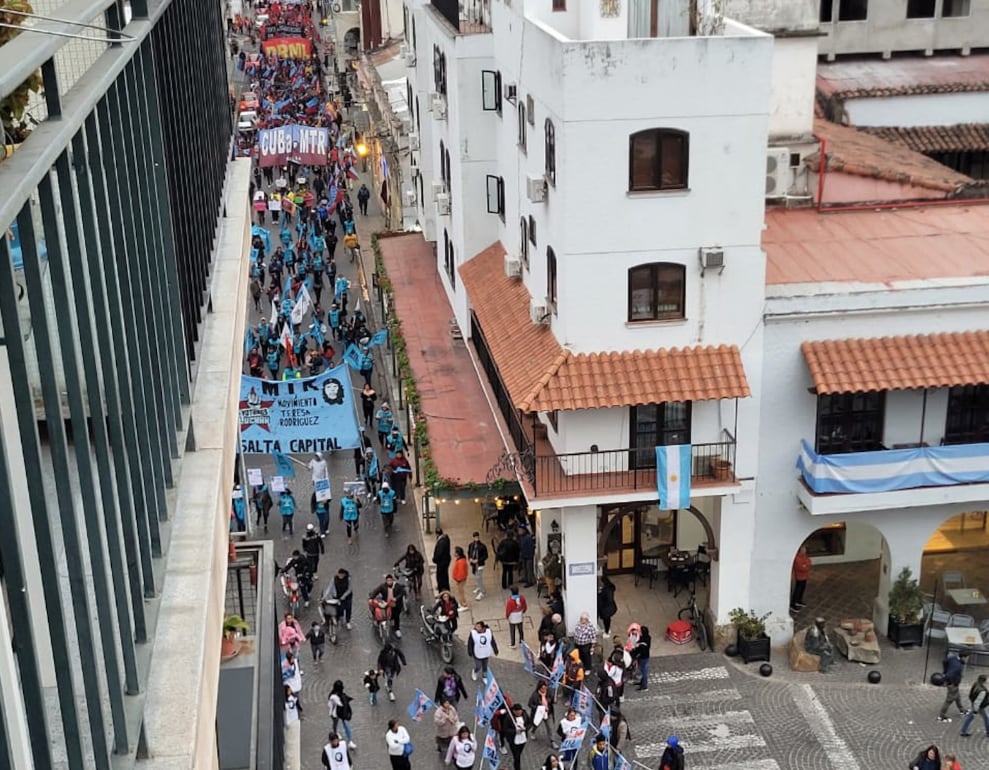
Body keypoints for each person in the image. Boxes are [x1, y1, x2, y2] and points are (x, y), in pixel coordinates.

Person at [369, 574, 407, 638]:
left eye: (390, 580)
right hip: (387, 603)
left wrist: (396, 598)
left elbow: (402, 592)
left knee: (396, 616)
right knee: (382, 613)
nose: (389, 582)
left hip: (396, 605)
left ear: (392, 580)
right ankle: (378, 621)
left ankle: (397, 629)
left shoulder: (397, 586)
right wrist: (371, 598)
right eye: (388, 581)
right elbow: (376, 591)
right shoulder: (383, 586)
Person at [501, 702, 532, 770]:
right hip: (513, 740)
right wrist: (515, 731)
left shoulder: (524, 714)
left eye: (520, 712)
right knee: (516, 756)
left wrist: (525, 728)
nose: (519, 713)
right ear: (514, 711)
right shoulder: (509, 717)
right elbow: (505, 729)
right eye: (517, 712)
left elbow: (529, 723)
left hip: (523, 738)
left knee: (519, 754)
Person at [940, 651, 969, 722]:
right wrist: (947, 681)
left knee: (957, 697)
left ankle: (962, 710)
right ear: (964, 657)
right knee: (949, 700)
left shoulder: (953, 658)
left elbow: (944, 661)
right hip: (953, 684)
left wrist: (945, 671)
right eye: (967, 658)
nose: (967, 660)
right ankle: (942, 715)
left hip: (954, 684)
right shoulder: (958, 666)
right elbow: (949, 674)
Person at [328, 680, 357, 749]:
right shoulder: (333, 697)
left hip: (341, 713)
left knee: (346, 726)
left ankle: (350, 741)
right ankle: (336, 732)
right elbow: (340, 704)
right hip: (335, 713)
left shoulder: (338, 695)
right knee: (336, 723)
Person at [528, 680, 558, 748]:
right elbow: (530, 704)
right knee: (536, 724)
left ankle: (552, 741)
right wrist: (538, 708)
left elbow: (552, 700)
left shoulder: (549, 691)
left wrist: (554, 700)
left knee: (550, 727)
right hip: (539, 713)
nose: (544, 690)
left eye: (545, 688)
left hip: (548, 712)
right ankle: (533, 731)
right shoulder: (535, 695)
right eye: (542, 688)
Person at [791, 545, 812, 612]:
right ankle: (793, 603)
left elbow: (809, 562)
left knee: (802, 589)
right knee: (798, 590)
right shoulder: (797, 558)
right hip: (799, 577)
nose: (805, 551)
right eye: (804, 549)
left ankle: (799, 601)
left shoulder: (804, 556)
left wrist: (806, 565)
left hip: (804, 576)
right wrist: (806, 565)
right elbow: (801, 567)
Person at [468, 531, 488, 599]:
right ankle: (479, 587)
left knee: (479, 578)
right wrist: (470, 558)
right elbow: (469, 552)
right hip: (474, 564)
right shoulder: (471, 545)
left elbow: (485, 556)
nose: (476, 538)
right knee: (476, 575)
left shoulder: (482, 546)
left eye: (477, 537)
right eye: (475, 537)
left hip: (480, 564)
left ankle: (482, 591)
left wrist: (478, 560)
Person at [633, 625, 652, 690]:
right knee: (642, 671)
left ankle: (644, 686)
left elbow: (641, 650)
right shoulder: (648, 637)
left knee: (644, 672)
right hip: (644, 657)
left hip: (643, 658)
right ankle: (642, 682)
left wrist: (637, 647)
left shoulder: (644, 642)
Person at [434, 528, 452, 592]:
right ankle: (446, 587)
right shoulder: (446, 538)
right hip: (446, 560)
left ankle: (441, 588)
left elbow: (439, 553)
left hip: (442, 562)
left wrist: (434, 559)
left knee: (440, 576)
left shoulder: (441, 542)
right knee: (445, 574)